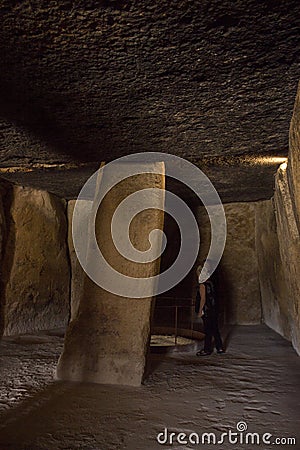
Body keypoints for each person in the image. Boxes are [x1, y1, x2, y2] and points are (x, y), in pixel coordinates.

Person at [195, 263, 224, 356]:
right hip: (214, 309)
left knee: (207, 331)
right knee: (215, 329)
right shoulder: (212, 283)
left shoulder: (202, 285)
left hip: (207, 311)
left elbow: (203, 299)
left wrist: (200, 311)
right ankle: (220, 348)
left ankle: (207, 349)